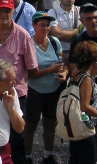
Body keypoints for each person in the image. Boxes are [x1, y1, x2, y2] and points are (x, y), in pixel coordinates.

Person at [24, 12, 66, 164]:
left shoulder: (55, 42)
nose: (46, 28)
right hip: (34, 91)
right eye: (42, 25)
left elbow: (62, 63)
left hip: (53, 90)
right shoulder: (29, 44)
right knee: (30, 125)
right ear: (34, 25)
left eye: (48, 25)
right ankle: (27, 156)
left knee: (50, 123)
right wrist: (50, 70)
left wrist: (64, 73)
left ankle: (49, 155)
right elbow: (28, 74)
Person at [60, 41, 97, 164]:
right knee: (88, 159)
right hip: (85, 128)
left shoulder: (75, 71)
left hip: (75, 125)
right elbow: (85, 106)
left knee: (75, 158)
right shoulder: (85, 78)